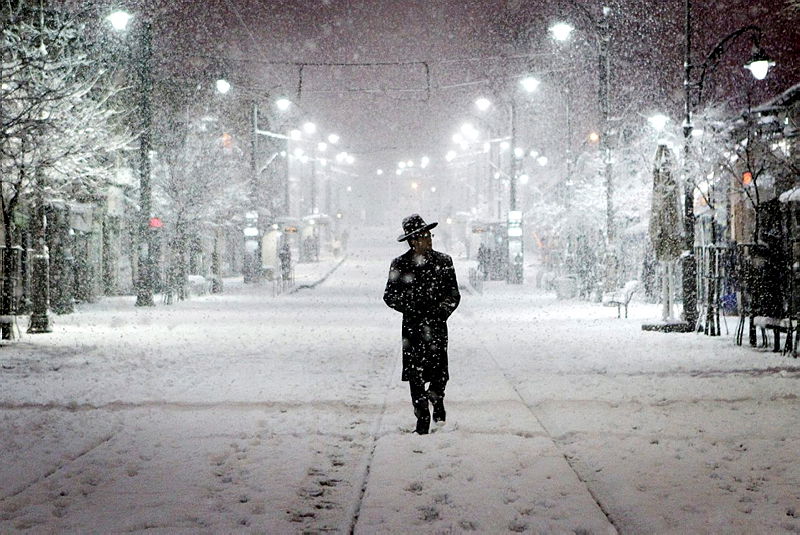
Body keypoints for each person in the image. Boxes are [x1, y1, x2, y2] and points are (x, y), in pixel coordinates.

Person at [383, 214, 461, 435]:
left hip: (436, 327)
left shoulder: (444, 262)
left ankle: (437, 399)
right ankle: (422, 417)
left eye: (429, 235)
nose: (428, 240)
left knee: (439, 373)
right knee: (415, 377)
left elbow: (453, 294)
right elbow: (389, 296)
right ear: (413, 241)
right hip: (413, 329)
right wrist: (412, 307)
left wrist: (441, 312)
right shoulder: (400, 264)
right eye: (424, 236)